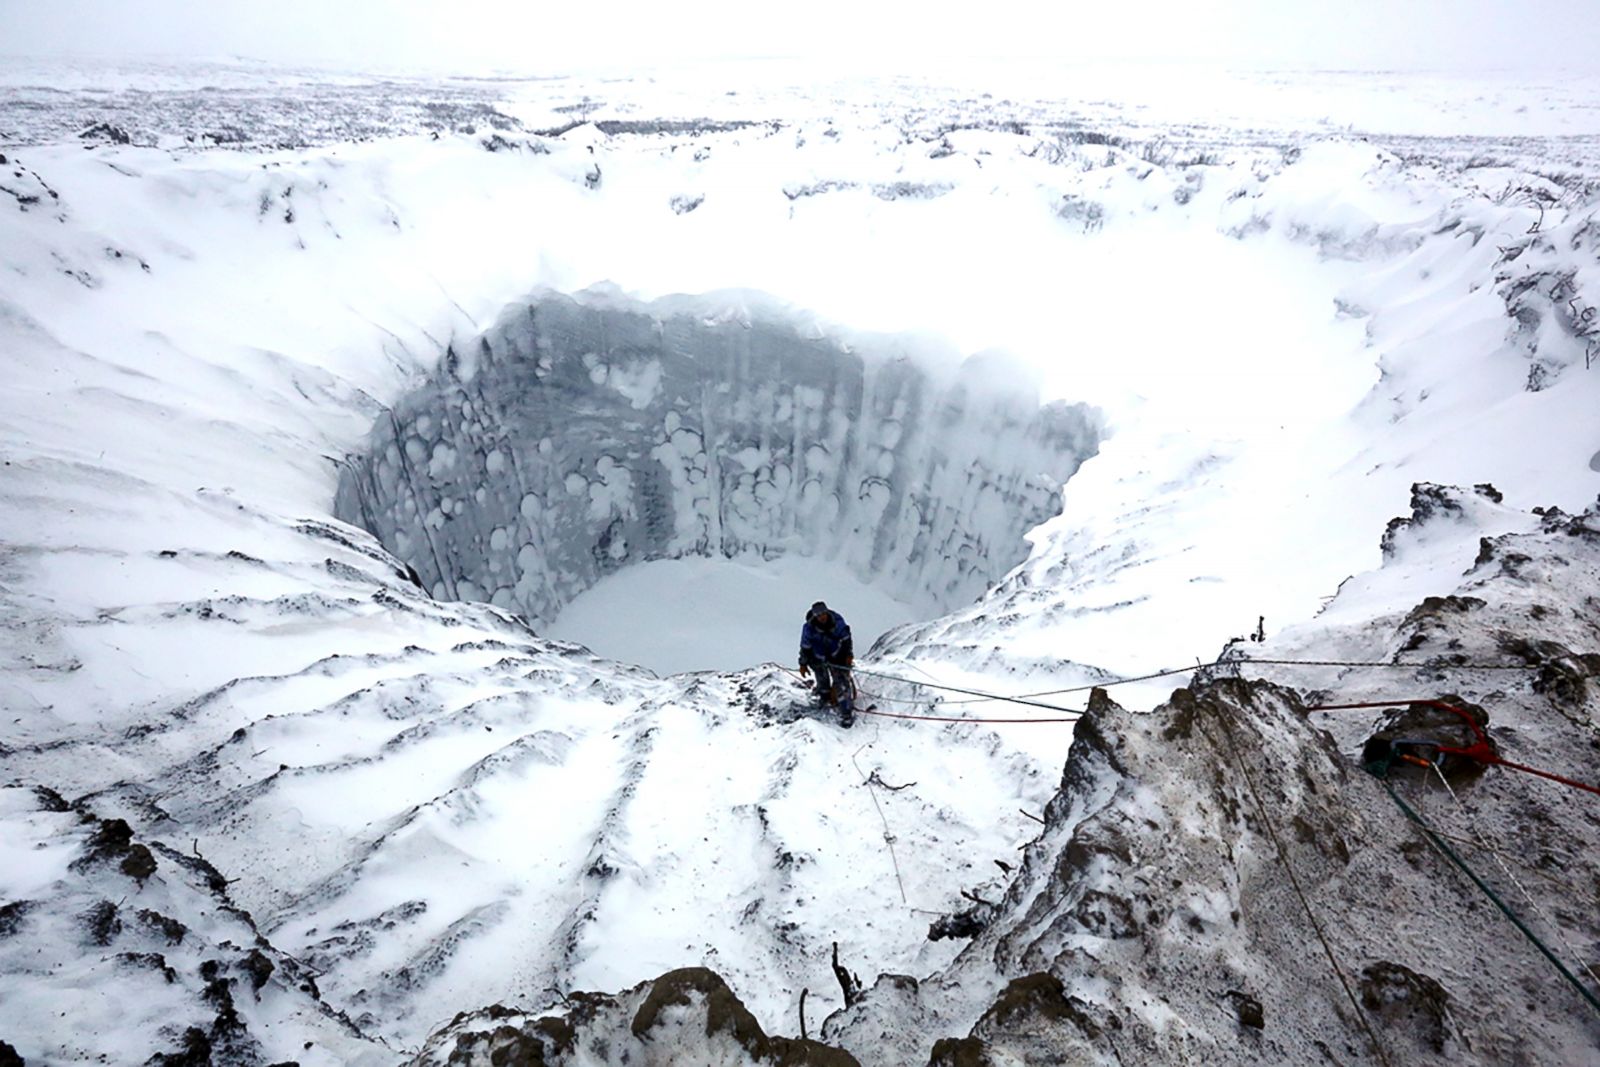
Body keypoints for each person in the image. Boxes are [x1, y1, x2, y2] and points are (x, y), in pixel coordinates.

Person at [799, 601, 855, 726]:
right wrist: (803, 663)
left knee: (841, 682)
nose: (822, 617)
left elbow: (846, 639)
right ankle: (824, 697)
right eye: (819, 615)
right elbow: (805, 647)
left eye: (823, 614)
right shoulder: (808, 628)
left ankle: (846, 712)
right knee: (822, 679)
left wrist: (849, 655)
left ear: (827, 612)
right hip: (818, 657)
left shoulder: (838, 622)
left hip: (837, 655)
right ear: (815, 616)